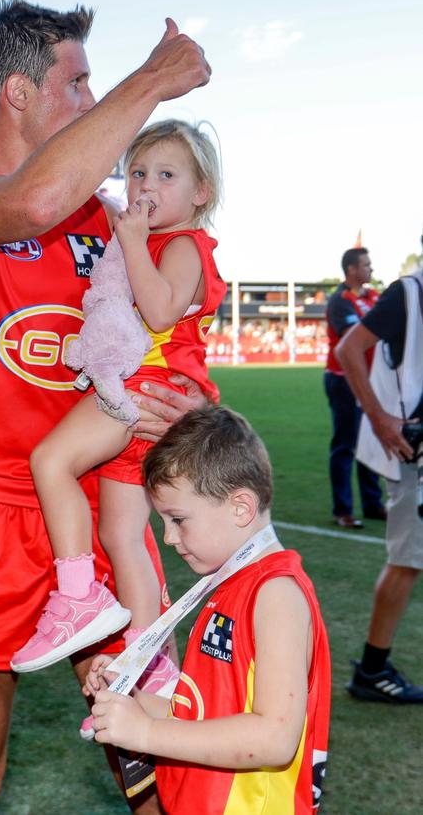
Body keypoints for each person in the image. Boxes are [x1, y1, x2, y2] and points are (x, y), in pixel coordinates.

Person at [0, 0, 210, 814]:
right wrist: (150, 81)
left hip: (97, 506)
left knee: (151, 743)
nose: (95, 100)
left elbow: (159, 334)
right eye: (79, 83)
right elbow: (30, 202)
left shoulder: (106, 220)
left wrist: (177, 402)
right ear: (20, 94)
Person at [13, 120, 225, 683]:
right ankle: (150, 660)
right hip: (147, 391)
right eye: (137, 172)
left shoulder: (181, 244)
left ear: (200, 192)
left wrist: (131, 242)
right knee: (120, 535)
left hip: (144, 389)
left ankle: (77, 594)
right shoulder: (152, 237)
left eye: (166, 174)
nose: (147, 186)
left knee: (50, 461)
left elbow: (158, 313)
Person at [84, 405, 331, 815]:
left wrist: (147, 733)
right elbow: (200, 714)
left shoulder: (275, 594)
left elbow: (274, 737)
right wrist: (134, 699)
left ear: (240, 507)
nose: (168, 537)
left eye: (178, 519)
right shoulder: (229, 584)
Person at [335, 243, 423, 703]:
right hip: (413, 452)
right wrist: (380, 418)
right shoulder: (408, 293)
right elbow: (350, 349)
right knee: (407, 560)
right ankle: (372, 669)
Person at [324, 247, 384, 528]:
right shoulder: (340, 301)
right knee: (345, 445)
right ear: (352, 269)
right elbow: (355, 339)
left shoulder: (374, 297)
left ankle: (373, 504)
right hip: (343, 380)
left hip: (371, 381)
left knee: (370, 443)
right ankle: (343, 510)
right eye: (366, 264)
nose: (371, 268)